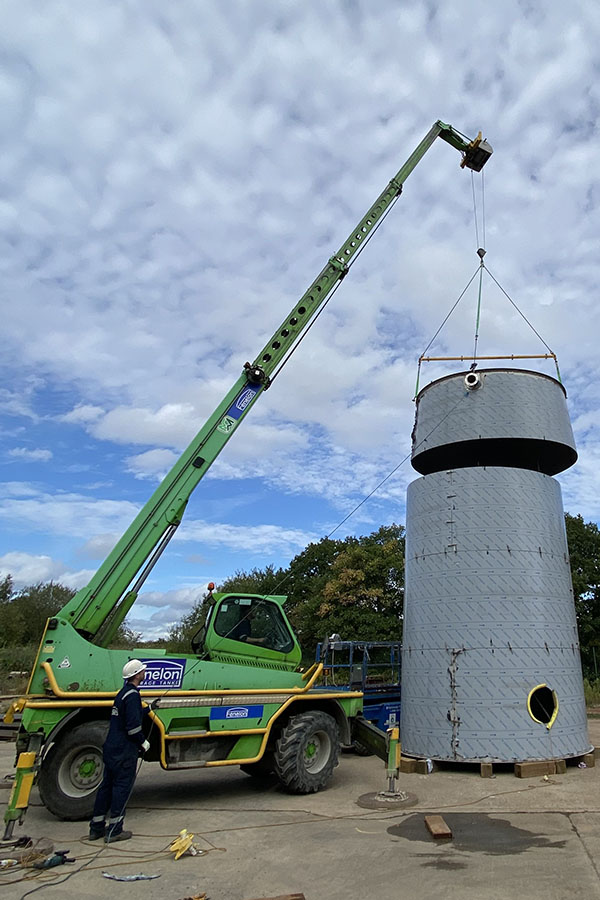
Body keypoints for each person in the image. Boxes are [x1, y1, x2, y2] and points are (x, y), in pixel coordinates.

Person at [88, 659, 150, 842]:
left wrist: (150, 709)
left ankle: (96, 828)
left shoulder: (123, 693)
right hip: (124, 750)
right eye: (142, 672)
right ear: (137, 675)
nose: (144, 673)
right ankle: (115, 830)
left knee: (106, 787)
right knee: (121, 789)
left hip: (112, 748)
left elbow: (128, 715)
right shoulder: (133, 696)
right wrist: (143, 742)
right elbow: (132, 727)